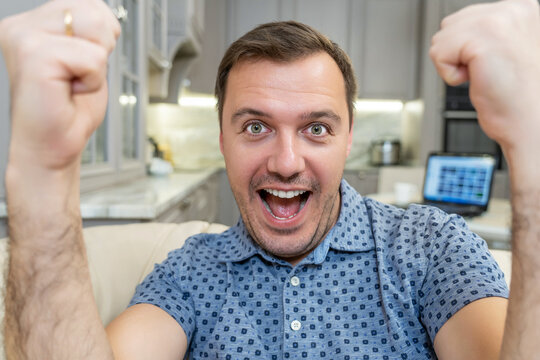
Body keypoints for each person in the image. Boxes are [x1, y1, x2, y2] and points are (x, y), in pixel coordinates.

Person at [0, 0, 538, 359]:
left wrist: (532, 153)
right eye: (255, 126)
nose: (285, 161)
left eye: (317, 129)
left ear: (349, 138)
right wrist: (42, 180)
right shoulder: (190, 272)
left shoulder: (430, 246)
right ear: (222, 141)